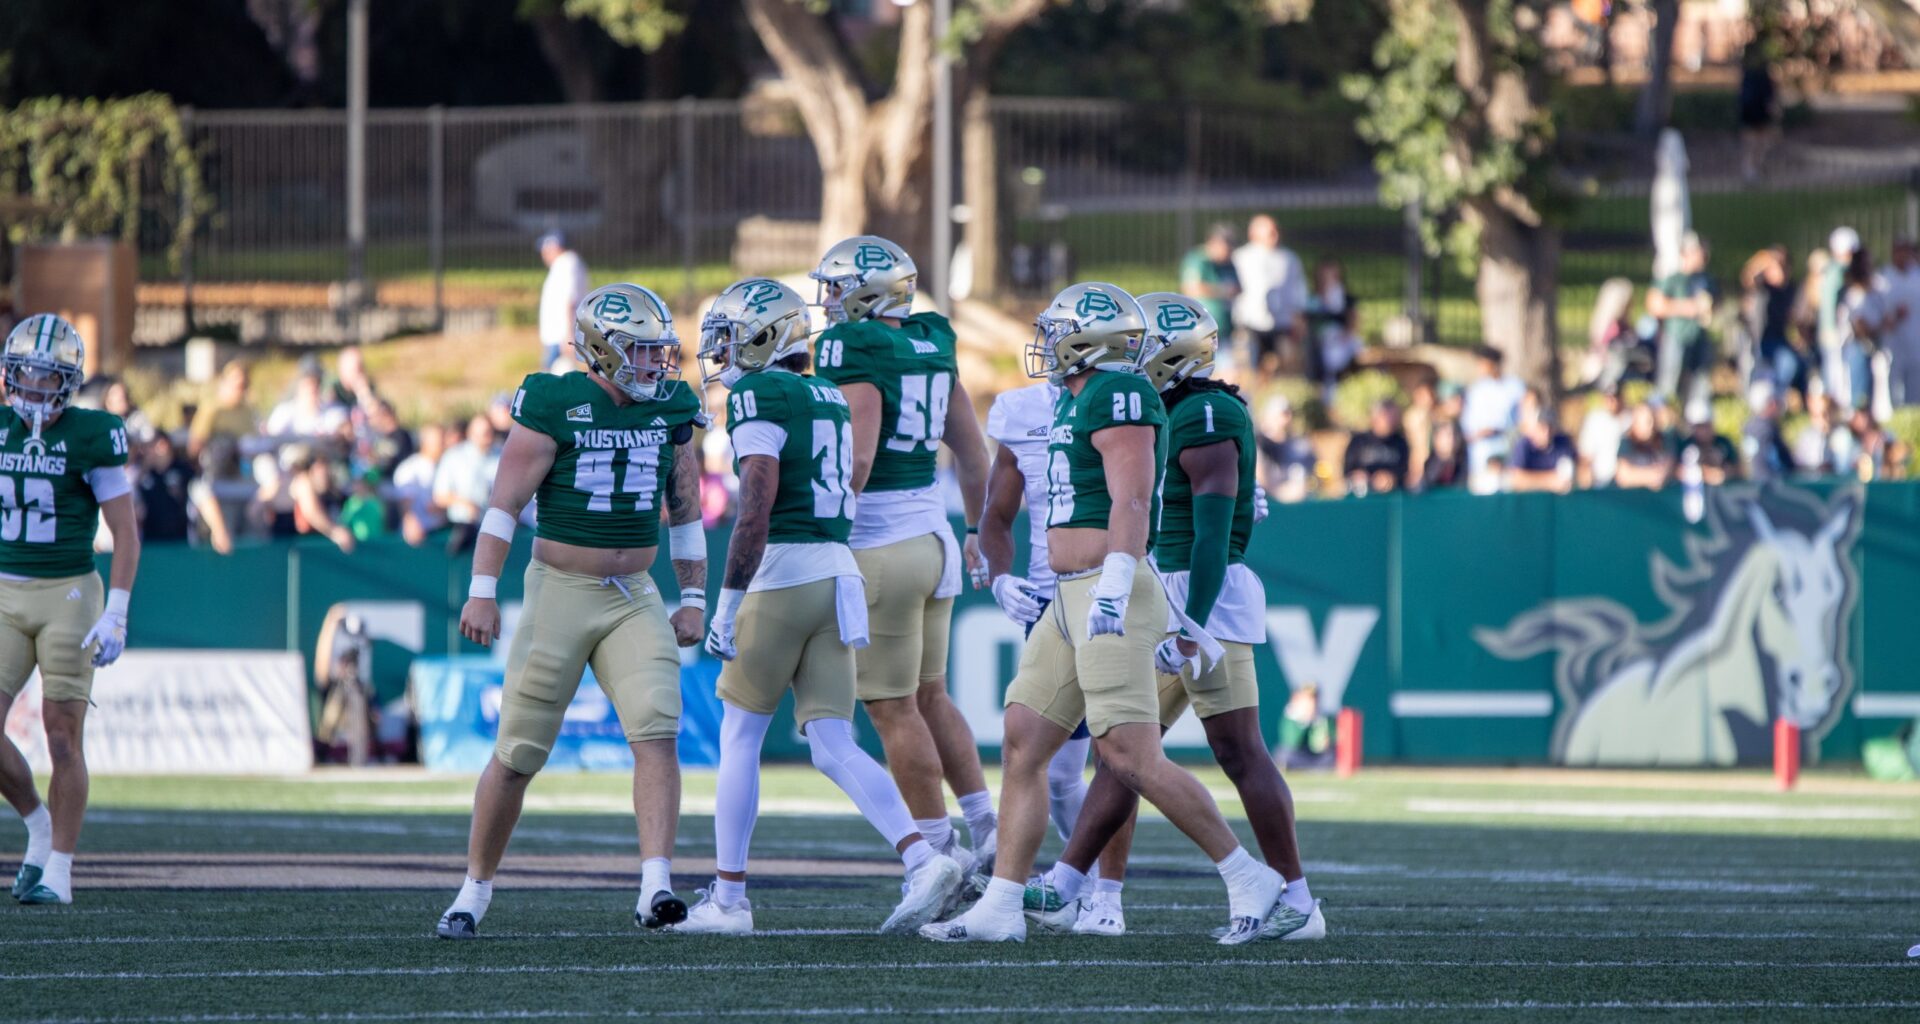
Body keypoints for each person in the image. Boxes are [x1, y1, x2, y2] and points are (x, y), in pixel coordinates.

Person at [923, 283, 1283, 945]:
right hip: (1065, 593)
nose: (1046, 341)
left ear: (1091, 339)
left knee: (1129, 754)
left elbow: (1132, 500)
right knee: (1024, 738)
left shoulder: (1120, 393)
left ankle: (1246, 875)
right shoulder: (1074, 396)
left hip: (1107, 587)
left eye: (1058, 330)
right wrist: (1002, 578)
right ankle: (1003, 906)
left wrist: (1117, 582)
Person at [1014, 292, 1322, 942]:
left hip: (1197, 600)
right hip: (1172, 590)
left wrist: (1190, 627)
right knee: (1123, 749)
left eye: (1143, 346)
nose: (1131, 357)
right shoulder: (1174, 404)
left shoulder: (1205, 411)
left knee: (1230, 751)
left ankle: (1295, 899)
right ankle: (1076, 886)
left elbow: (1211, 536)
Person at [687, 278, 964, 935]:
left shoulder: (760, 392)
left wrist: (727, 602)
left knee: (740, 735)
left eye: (731, 336)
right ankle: (924, 857)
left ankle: (728, 900)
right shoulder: (824, 394)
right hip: (838, 573)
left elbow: (756, 501)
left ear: (765, 336)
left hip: (784, 572)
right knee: (833, 742)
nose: (721, 351)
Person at [436, 283, 708, 940]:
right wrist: (482, 587)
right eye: (640, 352)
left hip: (634, 594)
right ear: (602, 350)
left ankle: (655, 887)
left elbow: (686, 504)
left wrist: (694, 596)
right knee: (519, 749)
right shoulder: (556, 401)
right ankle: (474, 889)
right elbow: (503, 503)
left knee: (657, 727)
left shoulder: (671, 405)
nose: (654, 365)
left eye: (657, 352)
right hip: (560, 587)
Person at [809, 237, 999, 875]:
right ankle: (985, 825)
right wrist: (978, 529)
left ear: (866, 292)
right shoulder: (930, 338)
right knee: (931, 695)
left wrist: (823, 528)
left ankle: (938, 851)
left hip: (878, 542)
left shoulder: (849, 346)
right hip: (934, 535)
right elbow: (973, 453)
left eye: (836, 287)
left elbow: (857, 458)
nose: (828, 300)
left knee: (892, 707)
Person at [0, 314, 142, 906]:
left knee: (62, 737)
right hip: (4, 593)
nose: (34, 388)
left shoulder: (93, 433)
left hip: (69, 594)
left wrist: (119, 612)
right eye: (26, 376)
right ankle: (35, 821)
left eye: (46, 377)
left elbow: (126, 534)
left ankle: (59, 865)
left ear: (68, 381)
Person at [978, 378, 1101, 883]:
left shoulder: (1130, 398)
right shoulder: (1020, 410)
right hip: (1049, 603)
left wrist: (1236, 493)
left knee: (1129, 759)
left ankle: (1102, 893)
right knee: (1051, 767)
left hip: (1115, 596)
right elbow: (997, 515)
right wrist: (1000, 577)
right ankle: (1084, 887)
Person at [1231, 215, 1306, 376]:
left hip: (1282, 322)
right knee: (1250, 367)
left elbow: (1298, 289)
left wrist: (1298, 316)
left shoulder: (1289, 259)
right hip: (1250, 320)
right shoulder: (1241, 257)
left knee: (1285, 366)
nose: (1275, 236)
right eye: (1270, 233)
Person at [1648, 232, 1716, 406]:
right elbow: (1654, 304)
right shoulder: (1674, 279)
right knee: (1669, 383)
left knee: (1699, 385)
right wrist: (1688, 307)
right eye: (1699, 252)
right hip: (1677, 337)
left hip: (1700, 338)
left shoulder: (1707, 280)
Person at [1741, 246, 1803, 399]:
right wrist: (1765, 258)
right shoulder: (1762, 288)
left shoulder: (1790, 289)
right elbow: (1748, 276)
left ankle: (1777, 399)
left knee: (1791, 364)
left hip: (1779, 339)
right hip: (1758, 339)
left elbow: (1796, 317)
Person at [1461, 347, 1523, 491]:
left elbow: (1521, 421)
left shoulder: (1515, 387)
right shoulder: (1476, 390)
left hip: (1506, 453)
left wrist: (1500, 431)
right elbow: (1468, 425)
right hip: (1481, 457)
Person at [433, 415, 500, 547]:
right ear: (470, 434)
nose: (486, 438)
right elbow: (440, 496)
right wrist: (466, 504)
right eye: (481, 434)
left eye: (488, 432)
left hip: (493, 527)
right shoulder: (454, 456)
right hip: (460, 529)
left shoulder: (500, 455)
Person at [1302, 260, 1359, 398]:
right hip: (1318, 341)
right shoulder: (1312, 300)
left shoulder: (1345, 298)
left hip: (1340, 341)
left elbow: (1353, 320)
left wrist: (1346, 334)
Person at [537, 231, 590, 373]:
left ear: (554, 247)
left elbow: (570, 301)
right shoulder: (562, 265)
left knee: (550, 381)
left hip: (561, 336)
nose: (543, 254)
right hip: (558, 335)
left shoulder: (568, 264)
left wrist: (568, 336)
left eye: (545, 249)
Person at [1180, 224, 1239, 344]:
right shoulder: (1198, 260)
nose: (1229, 252)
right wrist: (1223, 290)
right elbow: (1191, 288)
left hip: (1225, 327)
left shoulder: (1228, 264)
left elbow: (1238, 288)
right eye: (1226, 248)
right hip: (1201, 330)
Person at [188, 361, 258, 461]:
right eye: (237, 385)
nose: (240, 390)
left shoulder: (248, 410)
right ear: (225, 382)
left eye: (243, 386)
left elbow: (255, 439)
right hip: (218, 466)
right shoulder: (211, 409)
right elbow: (195, 446)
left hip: (245, 467)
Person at [134, 432, 195, 543]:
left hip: (180, 540)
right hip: (151, 542)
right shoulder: (145, 474)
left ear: (163, 445)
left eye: (149, 446)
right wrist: (143, 469)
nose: (144, 451)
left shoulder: (184, 470)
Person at [265, 359, 348, 440]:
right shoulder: (283, 412)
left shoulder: (333, 412)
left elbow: (344, 431)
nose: (312, 388)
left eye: (317, 383)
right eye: (308, 383)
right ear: (298, 385)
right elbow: (270, 439)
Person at [393, 422, 447, 547]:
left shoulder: (445, 465)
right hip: (419, 537)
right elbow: (405, 502)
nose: (444, 445)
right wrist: (410, 522)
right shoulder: (410, 468)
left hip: (440, 532)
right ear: (426, 443)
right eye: (440, 441)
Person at [1341, 400, 1409, 496]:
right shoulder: (1358, 441)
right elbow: (1347, 470)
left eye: (1394, 416)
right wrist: (1360, 477)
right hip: (1362, 497)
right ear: (1375, 417)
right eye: (1387, 416)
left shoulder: (1400, 442)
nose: (1391, 420)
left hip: (1391, 498)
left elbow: (1405, 471)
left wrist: (1391, 478)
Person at [1882, 240, 1920, 404]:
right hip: (1894, 340)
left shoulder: (1916, 275)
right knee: (1895, 380)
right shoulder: (1884, 278)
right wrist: (1895, 315)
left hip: (1915, 339)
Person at [1507, 410, 1577, 494]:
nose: (1547, 432)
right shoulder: (1523, 445)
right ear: (1535, 428)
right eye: (1542, 427)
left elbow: (1579, 468)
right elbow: (1516, 479)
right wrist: (1549, 481)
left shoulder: (1563, 442)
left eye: (1550, 426)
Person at [1742, 380, 1795, 483]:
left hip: (1754, 489)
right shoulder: (1767, 430)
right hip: (1770, 490)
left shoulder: (1749, 427)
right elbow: (1777, 464)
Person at [1614, 402, 1674, 490]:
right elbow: (1623, 477)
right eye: (1643, 421)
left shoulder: (1664, 441)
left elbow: (1663, 474)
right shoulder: (1626, 442)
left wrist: (1635, 474)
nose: (1650, 426)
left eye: (1650, 420)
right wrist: (1649, 476)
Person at [1576, 389, 1627, 489]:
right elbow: (1585, 456)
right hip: (1598, 483)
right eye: (1609, 397)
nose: (1612, 401)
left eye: (1615, 398)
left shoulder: (1629, 418)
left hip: (1622, 484)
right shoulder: (1594, 419)